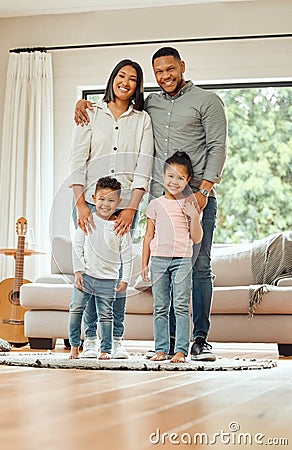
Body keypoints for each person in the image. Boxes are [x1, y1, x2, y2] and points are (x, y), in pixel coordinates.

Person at [74, 47, 227, 361]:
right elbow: (115, 112)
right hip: (159, 203)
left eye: (171, 69)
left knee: (198, 267)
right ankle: (168, 342)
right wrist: (81, 104)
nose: (166, 76)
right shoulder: (149, 106)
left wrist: (204, 192)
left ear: (182, 66)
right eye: (159, 72)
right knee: (162, 269)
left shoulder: (207, 102)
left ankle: (198, 339)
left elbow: (217, 146)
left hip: (196, 198)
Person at [69, 59, 154, 359]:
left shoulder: (142, 119)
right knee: (90, 274)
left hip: (124, 206)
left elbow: (145, 164)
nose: (126, 82)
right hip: (90, 203)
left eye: (133, 78)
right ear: (112, 79)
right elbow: (78, 160)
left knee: (117, 276)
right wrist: (81, 204)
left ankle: (116, 338)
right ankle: (90, 339)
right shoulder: (91, 112)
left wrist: (132, 208)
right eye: (121, 75)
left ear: (138, 86)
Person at [142, 151, 203, 362]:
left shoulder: (190, 204)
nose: (174, 181)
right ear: (163, 176)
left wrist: (194, 216)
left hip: (182, 261)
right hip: (158, 260)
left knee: (181, 305)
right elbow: (148, 236)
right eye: (170, 176)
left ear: (187, 180)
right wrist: (145, 264)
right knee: (160, 306)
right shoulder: (155, 204)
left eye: (180, 178)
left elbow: (196, 238)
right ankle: (161, 349)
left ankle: (181, 351)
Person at [69, 177, 132, 360]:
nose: (105, 204)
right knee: (76, 310)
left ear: (118, 202)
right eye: (102, 199)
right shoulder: (87, 221)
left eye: (111, 200)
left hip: (109, 280)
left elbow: (127, 256)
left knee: (106, 316)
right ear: (94, 197)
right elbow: (77, 247)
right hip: (86, 276)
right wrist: (78, 271)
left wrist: (125, 279)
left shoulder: (119, 227)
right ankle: (75, 347)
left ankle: (106, 349)